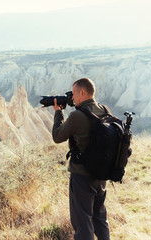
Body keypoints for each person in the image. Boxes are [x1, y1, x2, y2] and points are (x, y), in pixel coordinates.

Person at [52, 78, 110, 240]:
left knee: (82, 222)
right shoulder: (104, 110)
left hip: (82, 177)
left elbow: (57, 136)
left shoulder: (77, 115)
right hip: (101, 174)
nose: (72, 98)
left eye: (74, 94)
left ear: (83, 92)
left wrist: (58, 112)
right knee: (100, 218)